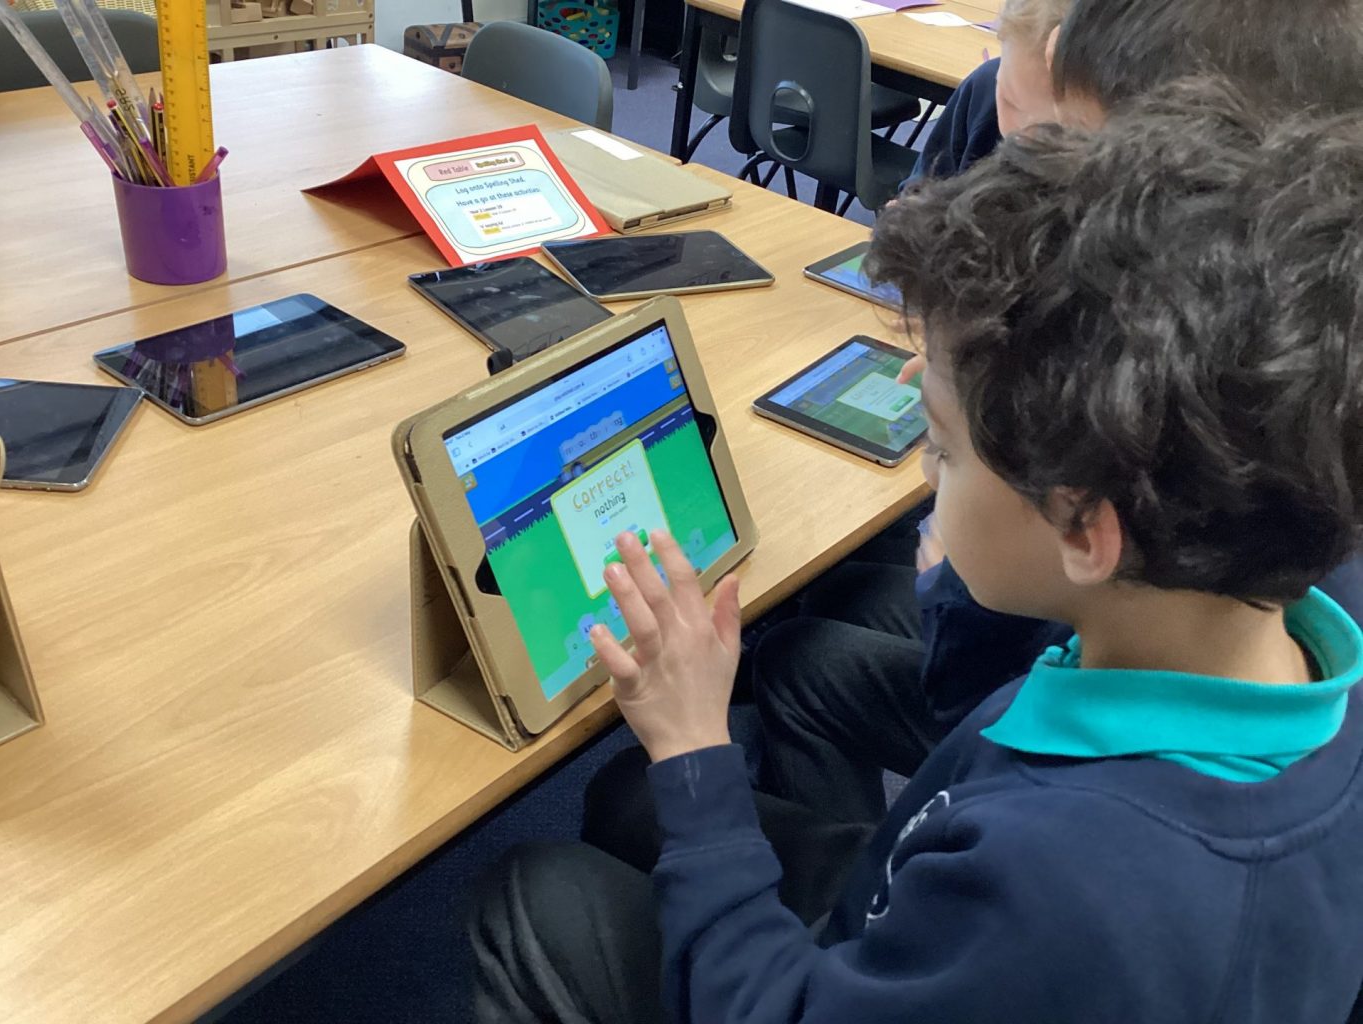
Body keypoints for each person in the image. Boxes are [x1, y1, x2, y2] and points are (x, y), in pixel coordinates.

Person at [469, 82, 1363, 1023]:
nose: (931, 457)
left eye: (941, 445)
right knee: (630, 796)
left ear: (1082, 529)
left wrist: (693, 746)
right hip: (921, 911)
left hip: (882, 968)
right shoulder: (1266, 634)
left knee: (532, 891)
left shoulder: (1061, 885)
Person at [755, 0, 1363, 826]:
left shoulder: (1152, 485)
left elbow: (980, 689)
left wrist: (973, 454)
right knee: (834, 611)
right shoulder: (1294, 379)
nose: (1049, 193)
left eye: (1081, 166)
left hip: (1024, 710)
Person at [910, 0, 1069, 180]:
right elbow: (922, 183)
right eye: (1010, 102)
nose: (1018, 137)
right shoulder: (985, 88)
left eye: (1053, 132)